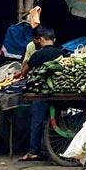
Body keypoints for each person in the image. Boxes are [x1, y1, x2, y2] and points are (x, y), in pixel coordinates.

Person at [16, 27, 60, 162]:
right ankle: (55, 149)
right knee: (55, 121)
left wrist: (20, 74)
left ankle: (34, 151)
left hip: (41, 93)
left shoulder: (38, 55)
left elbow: (24, 72)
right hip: (59, 93)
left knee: (37, 122)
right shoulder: (61, 53)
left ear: (41, 39)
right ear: (54, 39)